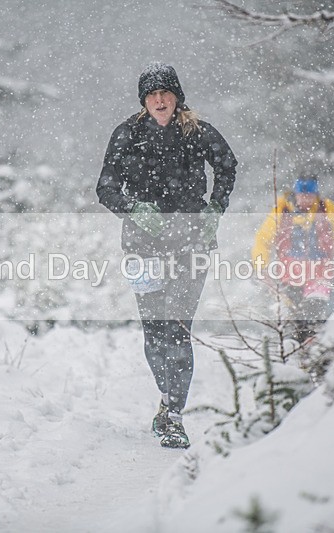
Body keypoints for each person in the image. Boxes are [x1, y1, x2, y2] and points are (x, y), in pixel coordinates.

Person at [96, 63, 237, 448]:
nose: (160, 99)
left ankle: (173, 414)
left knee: (177, 327)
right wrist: (133, 208)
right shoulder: (128, 134)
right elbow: (105, 187)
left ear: (177, 97)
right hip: (142, 246)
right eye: (152, 94)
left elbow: (228, 167)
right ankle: (166, 398)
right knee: (155, 330)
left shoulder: (198, 132)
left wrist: (214, 209)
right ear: (144, 101)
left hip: (192, 243)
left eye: (166, 92)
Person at [251, 176, 334, 341]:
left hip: (320, 275)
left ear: (316, 194)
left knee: (313, 315)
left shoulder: (326, 208)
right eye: (302, 194)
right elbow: (262, 239)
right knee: (295, 321)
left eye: (310, 195)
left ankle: (311, 347)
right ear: (296, 194)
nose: (306, 198)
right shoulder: (282, 209)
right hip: (290, 275)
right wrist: (261, 266)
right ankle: (295, 352)